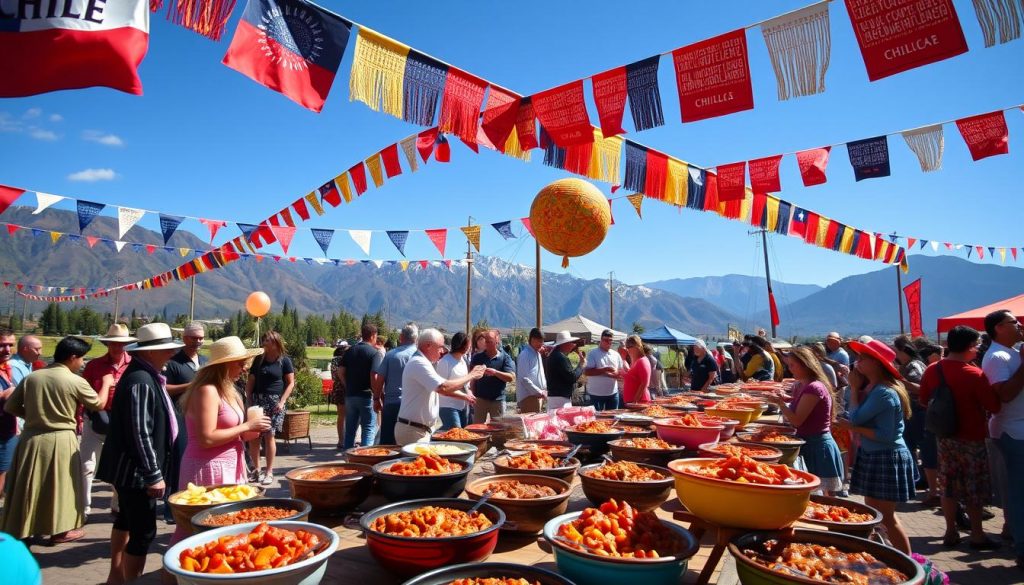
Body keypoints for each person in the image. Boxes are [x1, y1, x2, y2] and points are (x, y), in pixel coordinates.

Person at [97, 323, 183, 585]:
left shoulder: (144, 376)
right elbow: (140, 432)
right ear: (149, 353)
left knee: (126, 519)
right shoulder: (141, 381)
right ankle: (132, 580)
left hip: (133, 470)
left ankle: (118, 577)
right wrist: (153, 475)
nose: (170, 354)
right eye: (165, 350)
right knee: (144, 532)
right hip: (136, 473)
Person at [1, 336, 107, 544]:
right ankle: (60, 531)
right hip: (61, 439)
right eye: (81, 359)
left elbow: (10, 407)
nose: (82, 363)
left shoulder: (34, 377)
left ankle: (23, 530)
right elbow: (98, 404)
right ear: (72, 357)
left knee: (29, 485)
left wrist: (34, 417)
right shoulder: (75, 380)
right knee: (62, 486)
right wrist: (106, 383)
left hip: (31, 439)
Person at [172, 337, 270, 546]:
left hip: (229, 466)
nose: (244, 368)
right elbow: (206, 438)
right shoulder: (207, 390)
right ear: (224, 364)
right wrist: (246, 427)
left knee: (224, 530)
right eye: (240, 363)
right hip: (206, 468)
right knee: (194, 532)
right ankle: (176, 576)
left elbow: (237, 435)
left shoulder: (230, 391)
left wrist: (254, 431)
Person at [919, 326, 1002, 550]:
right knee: (974, 486)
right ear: (969, 347)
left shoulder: (933, 370)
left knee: (948, 484)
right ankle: (977, 534)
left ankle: (950, 531)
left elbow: (925, 400)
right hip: (972, 437)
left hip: (945, 437)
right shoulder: (974, 374)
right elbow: (993, 405)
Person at [833, 339, 916, 555]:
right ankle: (887, 557)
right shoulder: (873, 387)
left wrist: (852, 390)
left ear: (877, 363)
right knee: (874, 513)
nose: (857, 362)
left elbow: (865, 423)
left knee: (886, 517)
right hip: (875, 453)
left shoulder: (883, 392)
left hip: (886, 456)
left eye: (863, 359)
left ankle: (908, 563)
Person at [769, 347, 845, 495]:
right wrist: (788, 399)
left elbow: (797, 420)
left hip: (818, 447)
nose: (789, 369)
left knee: (825, 499)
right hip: (812, 444)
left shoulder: (813, 388)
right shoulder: (806, 385)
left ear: (805, 365)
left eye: (792, 365)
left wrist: (781, 403)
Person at [981, 309, 1024, 569]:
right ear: (999, 327)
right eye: (1013, 322)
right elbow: (1004, 394)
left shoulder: (1013, 353)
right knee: (1019, 493)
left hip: (1016, 429)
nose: (1019, 324)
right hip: (1013, 431)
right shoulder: (997, 357)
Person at [80, 324, 136, 519]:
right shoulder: (93, 365)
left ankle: (117, 504)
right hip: (94, 419)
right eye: (113, 343)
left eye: (121, 344)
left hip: (122, 421)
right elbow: (82, 392)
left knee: (119, 465)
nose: (117, 347)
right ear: (107, 343)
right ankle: (83, 509)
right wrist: (79, 416)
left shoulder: (134, 364)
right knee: (87, 465)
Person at [394, 329, 483, 444]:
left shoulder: (425, 363)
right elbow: (443, 387)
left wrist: (464, 396)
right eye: (440, 347)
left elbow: (440, 390)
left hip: (419, 430)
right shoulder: (419, 363)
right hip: (414, 430)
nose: (442, 351)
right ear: (428, 346)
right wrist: (471, 375)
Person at [162, 322, 206, 521]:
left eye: (201, 338)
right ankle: (172, 509)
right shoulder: (173, 362)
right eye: (193, 338)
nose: (198, 342)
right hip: (179, 417)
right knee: (179, 462)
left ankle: (195, 505)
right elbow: (165, 388)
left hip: (203, 417)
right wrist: (191, 385)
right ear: (184, 338)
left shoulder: (205, 361)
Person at [245, 331, 295, 486]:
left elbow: (291, 383)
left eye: (267, 340)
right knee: (254, 436)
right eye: (264, 340)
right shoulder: (259, 360)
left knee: (269, 435)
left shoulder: (284, 361)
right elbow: (251, 381)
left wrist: (282, 402)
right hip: (257, 400)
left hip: (274, 401)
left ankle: (269, 471)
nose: (264, 342)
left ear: (275, 342)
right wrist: (248, 399)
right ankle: (256, 470)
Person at [894, 341, 938, 508]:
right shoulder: (909, 365)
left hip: (919, 412)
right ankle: (917, 482)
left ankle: (933, 490)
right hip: (911, 413)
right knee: (911, 448)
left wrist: (900, 379)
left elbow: (920, 388)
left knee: (926, 449)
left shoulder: (914, 366)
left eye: (897, 351)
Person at [372, 324, 418, 445]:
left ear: (401, 337)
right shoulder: (419, 356)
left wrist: (377, 398)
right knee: (410, 443)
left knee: (387, 443)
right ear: (416, 339)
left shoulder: (391, 355)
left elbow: (379, 379)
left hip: (392, 404)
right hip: (412, 405)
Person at [337, 324, 381, 450]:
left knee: (350, 428)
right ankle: (365, 457)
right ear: (373, 335)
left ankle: (348, 457)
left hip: (350, 395)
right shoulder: (374, 353)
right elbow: (374, 375)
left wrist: (347, 385)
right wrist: (377, 395)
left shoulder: (350, 351)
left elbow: (340, 371)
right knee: (368, 427)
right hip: (366, 395)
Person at [469, 330, 515, 424]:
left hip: (498, 400)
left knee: (498, 430)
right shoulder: (478, 358)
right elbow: (472, 378)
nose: (487, 344)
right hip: (480, 399)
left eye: (489, 341)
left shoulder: (505, 358)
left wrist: (495, 373)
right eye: (486, 341)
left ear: (496, 341)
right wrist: (473, 396)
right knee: (477, 429)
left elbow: (511, 377)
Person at [437, 333, 473, 430]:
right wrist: (464, 396)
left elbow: (466, 385)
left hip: (463, 406)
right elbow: (442, 388)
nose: (470, 347)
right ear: (463, 346)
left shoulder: (463, 361)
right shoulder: (445, 362)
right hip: (448, 406)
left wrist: (469, 394)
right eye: (469, 345)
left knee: (463, 436)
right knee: (455, 436)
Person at [583, 330, 625, 411]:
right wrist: (606, 370)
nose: (608, 342)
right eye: (606, 340)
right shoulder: (593, 353)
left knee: (613, 418)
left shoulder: (616, 354)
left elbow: (620, 371)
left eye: (610, 340)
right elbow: (587, 372)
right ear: (601, 340)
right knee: (597, 419)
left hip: (613, 393)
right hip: (596, 394)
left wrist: (617, 375)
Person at [0, 329, 19, 499]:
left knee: (5, 474)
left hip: (8, 429)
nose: (7, 350)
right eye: (2, 345)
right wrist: (11, 391)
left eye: (10, 345)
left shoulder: (7, 369)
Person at [545, 332, 585, 411]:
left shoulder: (555, 355)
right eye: (571, 342)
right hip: (561, 399)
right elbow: (572, 377)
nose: (573, 345)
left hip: (556, 397)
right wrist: (581, 365)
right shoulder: (561, 357)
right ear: (565, 344)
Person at [515, 328, 547, 413]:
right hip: (528, 397)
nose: (541, 344)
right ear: (532, 339)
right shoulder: (525, 355)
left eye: (542, 341)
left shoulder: (537, 354)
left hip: (537, 396)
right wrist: (539, 391)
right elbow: (524, 379)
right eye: (539, 341)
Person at [329, 343, 348, 449]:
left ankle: (341, 440)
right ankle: (346, 440)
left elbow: (333, 376)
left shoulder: (334, 360)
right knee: (347, 416)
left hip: (337, 389)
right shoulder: (344, 360)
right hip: (344, 389)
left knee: (341, 416)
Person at [622, 335, 652, 404]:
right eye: (626, 347)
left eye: (629, 346)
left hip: (639, 402)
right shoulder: (635, 361)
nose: (627, 349)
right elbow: (634, 378)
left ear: (637, 346)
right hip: (632, 402)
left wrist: (635, 401)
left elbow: (644, 383)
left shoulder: (642, 361)